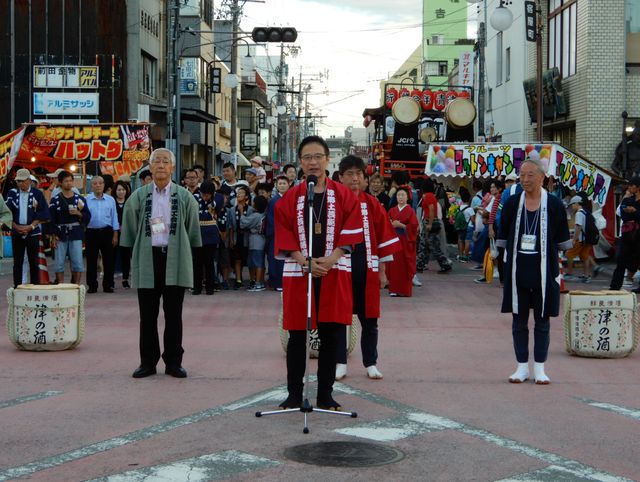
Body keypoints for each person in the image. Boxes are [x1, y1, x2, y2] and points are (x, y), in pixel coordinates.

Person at [275, 135, 363, 410]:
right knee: (297, 335)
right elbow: (283, 230)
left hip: (333, 271)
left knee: (331, 333)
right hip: (301, 272)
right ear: (300, 162)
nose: (313, 162)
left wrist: (331, 258)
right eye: (307, 158)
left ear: (327, 159)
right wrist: (304, 261)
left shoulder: (344, 195)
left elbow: (352, 228)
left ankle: (325, 393)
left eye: (318, 157)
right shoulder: (291, 196)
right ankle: (293, 393)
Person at [121, 148, 201, 379]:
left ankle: (174, 362)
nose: (161, 166)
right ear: (150, 166)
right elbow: (131, 226)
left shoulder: (184, 196)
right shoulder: (139, 195)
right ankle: (147, 362)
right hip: (148, 257)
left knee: (174, 314)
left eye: (166, 161)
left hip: (174, 258)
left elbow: (192, 229)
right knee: (147, 315)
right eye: (157, 161)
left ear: (173, 168)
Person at [497, 158, 571, 385]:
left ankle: (539, 368)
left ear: (542, 177)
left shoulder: (555, 205)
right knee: (519, 321)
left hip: (544, 272)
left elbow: (562, 242)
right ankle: (521, 368)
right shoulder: (511, 203)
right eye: (522, 175)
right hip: (518, 272)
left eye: (530, 175)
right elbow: (503, 236)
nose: (525, 179)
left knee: (542, 321)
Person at [335, 155, 400, 380]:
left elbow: (384, 238)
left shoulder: (372, 204)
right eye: (350, 174)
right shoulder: (333, 203)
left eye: (359, 175)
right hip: (339, 268)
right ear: (340, 177)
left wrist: (382, 272)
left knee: (370, 319)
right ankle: (340, 362)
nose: (355, 179)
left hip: (367, 266)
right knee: (338, 319)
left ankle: (370, 362)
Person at [6, 169, 50, 287]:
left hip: (33, 231)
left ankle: (34, 286)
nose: (20, 184)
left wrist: (31, 226)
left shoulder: (37, 193)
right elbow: (7, 212)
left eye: (22, 181)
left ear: (29, 181)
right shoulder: (12, 193)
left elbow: (44, 213)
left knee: (34, 262)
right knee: (18, 262)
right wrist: (15, 226)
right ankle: (17, 287)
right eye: (18, 181)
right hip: (17, 230)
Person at [49, 170, 91, 285]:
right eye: (66, 181)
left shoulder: (80, 199)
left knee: (77, 261)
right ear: (60, 183)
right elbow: (51, 219)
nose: (68, 183)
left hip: (76, 233)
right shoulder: (55, 200)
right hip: (60, 233)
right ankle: (61, 285)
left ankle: (76, 286)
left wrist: (78, 213)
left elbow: (88, 216)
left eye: (70, 180)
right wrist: (53, 235)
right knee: (59, 263)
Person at [85, 176, 119, 293]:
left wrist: (115, 235)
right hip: (91, 232)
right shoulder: (86, 199)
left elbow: (114, 218)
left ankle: (108, 285)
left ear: (104, 185)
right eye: (95, 183)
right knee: (91, 260)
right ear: (91, 185)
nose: (98, 185)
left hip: (107, 231)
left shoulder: (111, 200)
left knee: (108, 260)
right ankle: (92, 285)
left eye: (100, 183)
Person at [386, 186, 419, 297]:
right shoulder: (392, 210)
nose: (400, 197)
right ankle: (394, 289)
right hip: (394, 240)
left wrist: (401, 225)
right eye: (398, 195)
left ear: (407, 197)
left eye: (403, 195)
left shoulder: (410, 211)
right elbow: (386, 224)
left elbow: (414, 227)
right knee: (394, 264)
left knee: (404, 264)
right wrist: (391, 225)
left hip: (405, 240)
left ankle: (404, 290)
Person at [609, 177, 640, 291]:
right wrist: (632, 213)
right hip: (627, 233)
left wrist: (634, 211)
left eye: (632, 185)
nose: (629, 187)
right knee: (621, 260)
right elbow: (623, 214)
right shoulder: (627, 200)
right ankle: (615, 285)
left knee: (637, 259)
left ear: (638, 187)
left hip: (638, 234)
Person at [417, 178, 452, 274]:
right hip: (432, 221)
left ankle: (444, 264)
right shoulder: (432, 195)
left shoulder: (427, 196)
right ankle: (420, 264)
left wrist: (430, 223)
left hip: (429, 221)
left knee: (429, 245)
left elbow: (431, 209)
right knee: (427, 244)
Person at [192, 181, 220, 295]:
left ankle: (210, 288)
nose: (205, 196)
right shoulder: (194, 198)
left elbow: (217, 208)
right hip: (197, 233)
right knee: (197, 263)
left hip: (211, 233)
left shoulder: (216, 199)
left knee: (209, 263)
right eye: (204, 194)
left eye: (208, 194)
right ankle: (196, 287)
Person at [266, 175, 290, 291]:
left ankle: (287, 282)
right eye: (279, 184)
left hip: (289, 233)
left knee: (288, 259)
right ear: (276, 185)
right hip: (277, 234)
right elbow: (270, 219)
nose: (282, 185)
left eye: (284, 183)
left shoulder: (292, 198)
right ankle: (277, 282)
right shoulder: (273, 201)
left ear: (289, 184)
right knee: (276, 259)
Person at [227, 184, 253, 289]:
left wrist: (242, 212)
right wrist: (231, 239)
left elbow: (249, 224)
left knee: (249, 259)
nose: (239, 195)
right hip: (237, 236)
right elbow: (231, 226)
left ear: (246, 196)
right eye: (238, 193)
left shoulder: (251, 209)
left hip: (247, 236)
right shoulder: (232, 210)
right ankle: (238, 279)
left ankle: (252, 279)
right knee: (237, 259)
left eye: (242, 193)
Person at [241, 194, 268, 291]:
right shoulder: (263, 214)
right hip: (261, 239)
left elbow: (243, 223)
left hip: (255, 240)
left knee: (257, 263)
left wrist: (241, 213)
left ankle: (257, 283)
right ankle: (259, 281)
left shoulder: (255, 216)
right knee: (257, 262)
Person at [565, 195, 595, 283]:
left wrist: (574, 239)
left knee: (569, 254)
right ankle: (586, 275)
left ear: (577, 203)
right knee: (584, 256)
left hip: (581, 239)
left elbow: (578, 226)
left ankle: (570, 273)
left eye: (572, 205)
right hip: (588, 239)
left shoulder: (578, 213)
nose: (572, 207)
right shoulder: (586, 212)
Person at [114, 180, 132, 289]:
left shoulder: (130, 202)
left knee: (126, 256)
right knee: (111, 255)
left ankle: (125, 279)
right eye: (119, 190)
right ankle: (110, 279)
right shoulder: (112, 202)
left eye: (123, 190)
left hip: (127, 233)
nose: (121, 192)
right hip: (113, 233)